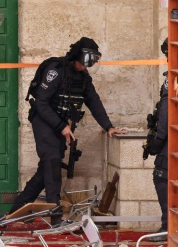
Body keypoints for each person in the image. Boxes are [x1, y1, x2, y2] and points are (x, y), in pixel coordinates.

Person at [10, 37, 126, 212]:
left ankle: (17, 208)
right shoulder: (56, 71)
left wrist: (108, 126)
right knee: (52, 161)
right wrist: (61, 127)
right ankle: (55, 212)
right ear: (76, 55)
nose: (86, 65)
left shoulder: (83, 78)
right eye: (85, 60)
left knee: (47, 169)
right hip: (44, 120)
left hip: (60, 125)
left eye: (90, 62)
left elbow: (94, 102)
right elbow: (41, 103)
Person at [146, 38, 169, 240]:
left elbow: (166, 114)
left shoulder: (173, 78)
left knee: (161, 176)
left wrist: (156, 143)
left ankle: (168, 226)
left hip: (172, 141)